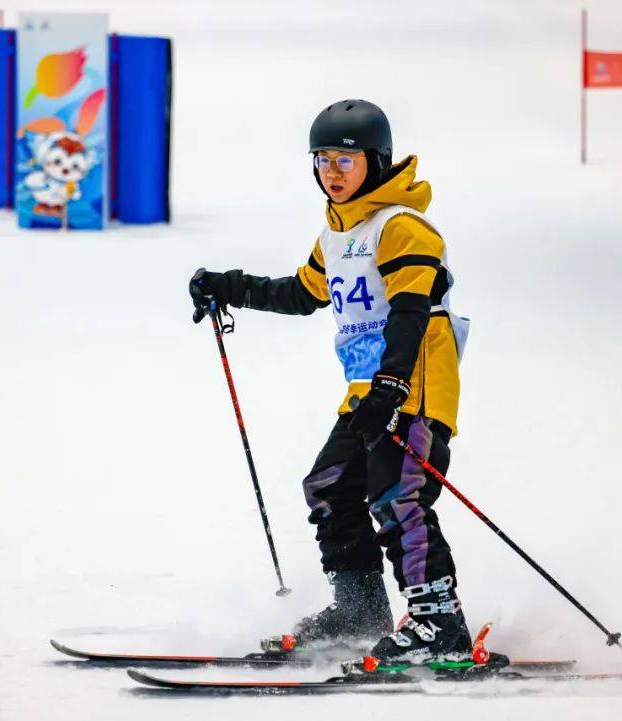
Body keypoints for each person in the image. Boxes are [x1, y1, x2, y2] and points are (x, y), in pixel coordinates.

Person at [188, 99, 472, 663]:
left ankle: (439, 623)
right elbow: (302, 294)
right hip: (368, 393)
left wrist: (392, 387)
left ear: (376, 160)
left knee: (399, 496)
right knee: (331, 485)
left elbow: (412, 312)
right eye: (322, 159)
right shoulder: (337, 235)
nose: (332, 171)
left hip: (411, 391)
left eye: (345, 159)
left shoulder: (402, 228)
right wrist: (229, 285)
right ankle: (360, 608)